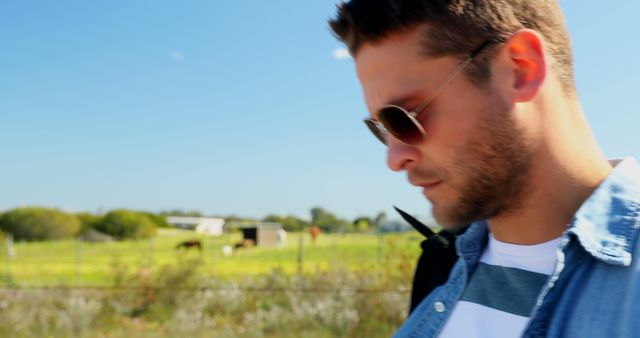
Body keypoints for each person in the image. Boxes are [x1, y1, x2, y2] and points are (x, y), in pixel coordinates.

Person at [328, 1, 640, 337]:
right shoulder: (440, 266)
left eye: (403, 119)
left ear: (521, 69)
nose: (395, 158)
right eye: (382, 129)